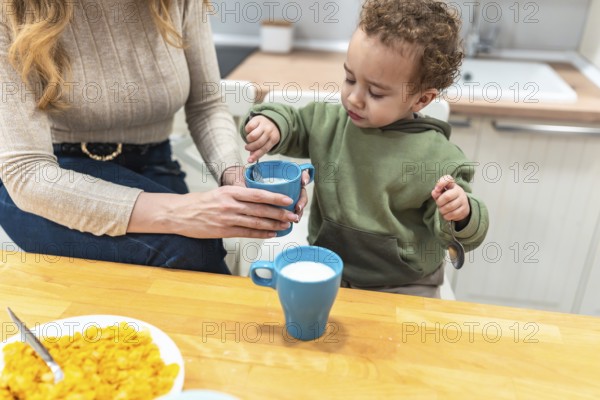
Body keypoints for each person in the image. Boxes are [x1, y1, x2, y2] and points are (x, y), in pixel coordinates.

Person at [0, 0, 305, 273]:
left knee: (198, 252)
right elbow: (28, 173)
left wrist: (235, 176)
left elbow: (206, 105)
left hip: (153, 163)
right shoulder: (12, 10)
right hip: (53, 181)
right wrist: (181, 212)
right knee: (191, 250)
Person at [240, 0, 489, 297]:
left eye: (375, 92)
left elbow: (461, 234)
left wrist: (460, 214)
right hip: (329, 272)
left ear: (421, 100)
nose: (354, 98)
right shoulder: (329, 121)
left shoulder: (439, 160)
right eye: (349, 78)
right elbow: (293, 122)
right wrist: (271, 123)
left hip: (405, 286)